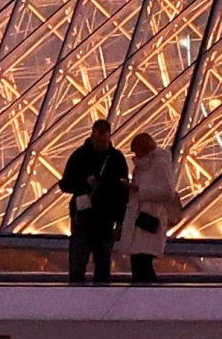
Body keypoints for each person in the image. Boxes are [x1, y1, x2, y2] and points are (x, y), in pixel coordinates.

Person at [57, 118, 127, 285]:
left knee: (102, 262)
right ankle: (77, 295)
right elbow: (65, 184)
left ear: (109, 136)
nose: (101, 142)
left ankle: (99, 297)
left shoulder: (116, 158)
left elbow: (123, 191)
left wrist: (120, 221)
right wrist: (84, 182)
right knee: (78, 263)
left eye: (104, 139)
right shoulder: (79, 156)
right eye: (98, 139)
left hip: (105, 217)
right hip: (84, 217)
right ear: (92, 135)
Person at [124, 132, 178, 285]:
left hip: (149, 219)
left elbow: (168, 192)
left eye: (136, 151)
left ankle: (146, 298)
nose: (135, 155)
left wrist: (139, 189)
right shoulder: (146, 165)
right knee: (140, 262)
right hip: (142, 219)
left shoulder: (159, 163)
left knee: (142, 263)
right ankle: (146, 298)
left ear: (144, 148)